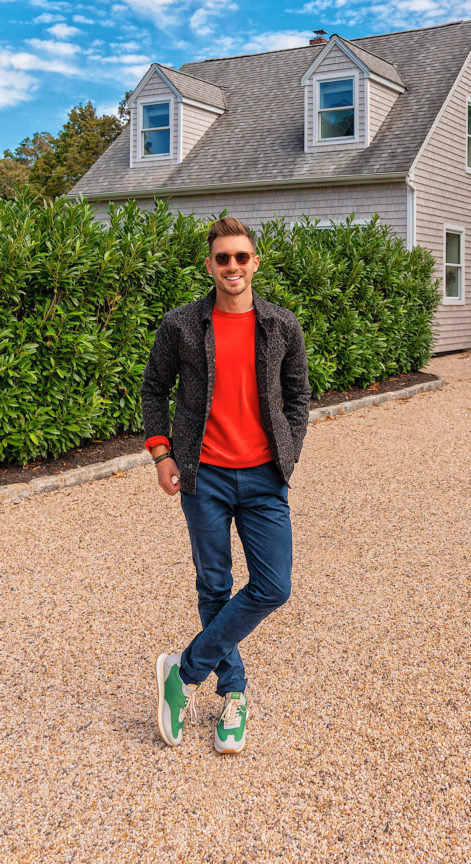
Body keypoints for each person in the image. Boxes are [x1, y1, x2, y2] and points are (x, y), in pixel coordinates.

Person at [141, 216, 310, 753]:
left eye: (241, 257)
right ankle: (233, 695)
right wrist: (162, 453)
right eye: (222, 258)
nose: (232, 266)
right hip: (203, 476)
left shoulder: (281, 326)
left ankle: (184, 673)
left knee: (273, 586)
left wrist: (290, 453)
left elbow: (298, 397)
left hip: (264, 479)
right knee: (214, 587)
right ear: (210, 265)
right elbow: (153, 389)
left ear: (255, 261)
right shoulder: (182, 325)